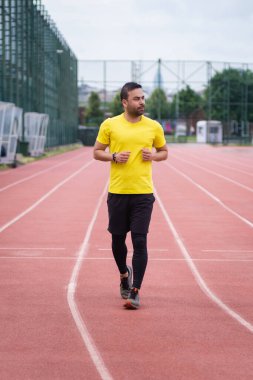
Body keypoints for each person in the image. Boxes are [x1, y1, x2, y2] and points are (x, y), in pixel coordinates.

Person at [93, 82, 168, 309]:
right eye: (136, 98)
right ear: (125, 102)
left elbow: (164, 152)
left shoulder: (153, 126)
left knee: (140, 240)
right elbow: (96, 152)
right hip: (118, 192)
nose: (142, 102)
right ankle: (124, 274)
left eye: (143, 98)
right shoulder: (110, 124)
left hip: (143, 194)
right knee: (117, 241)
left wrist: (153, 156)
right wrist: (114, 156)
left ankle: (135, 291)